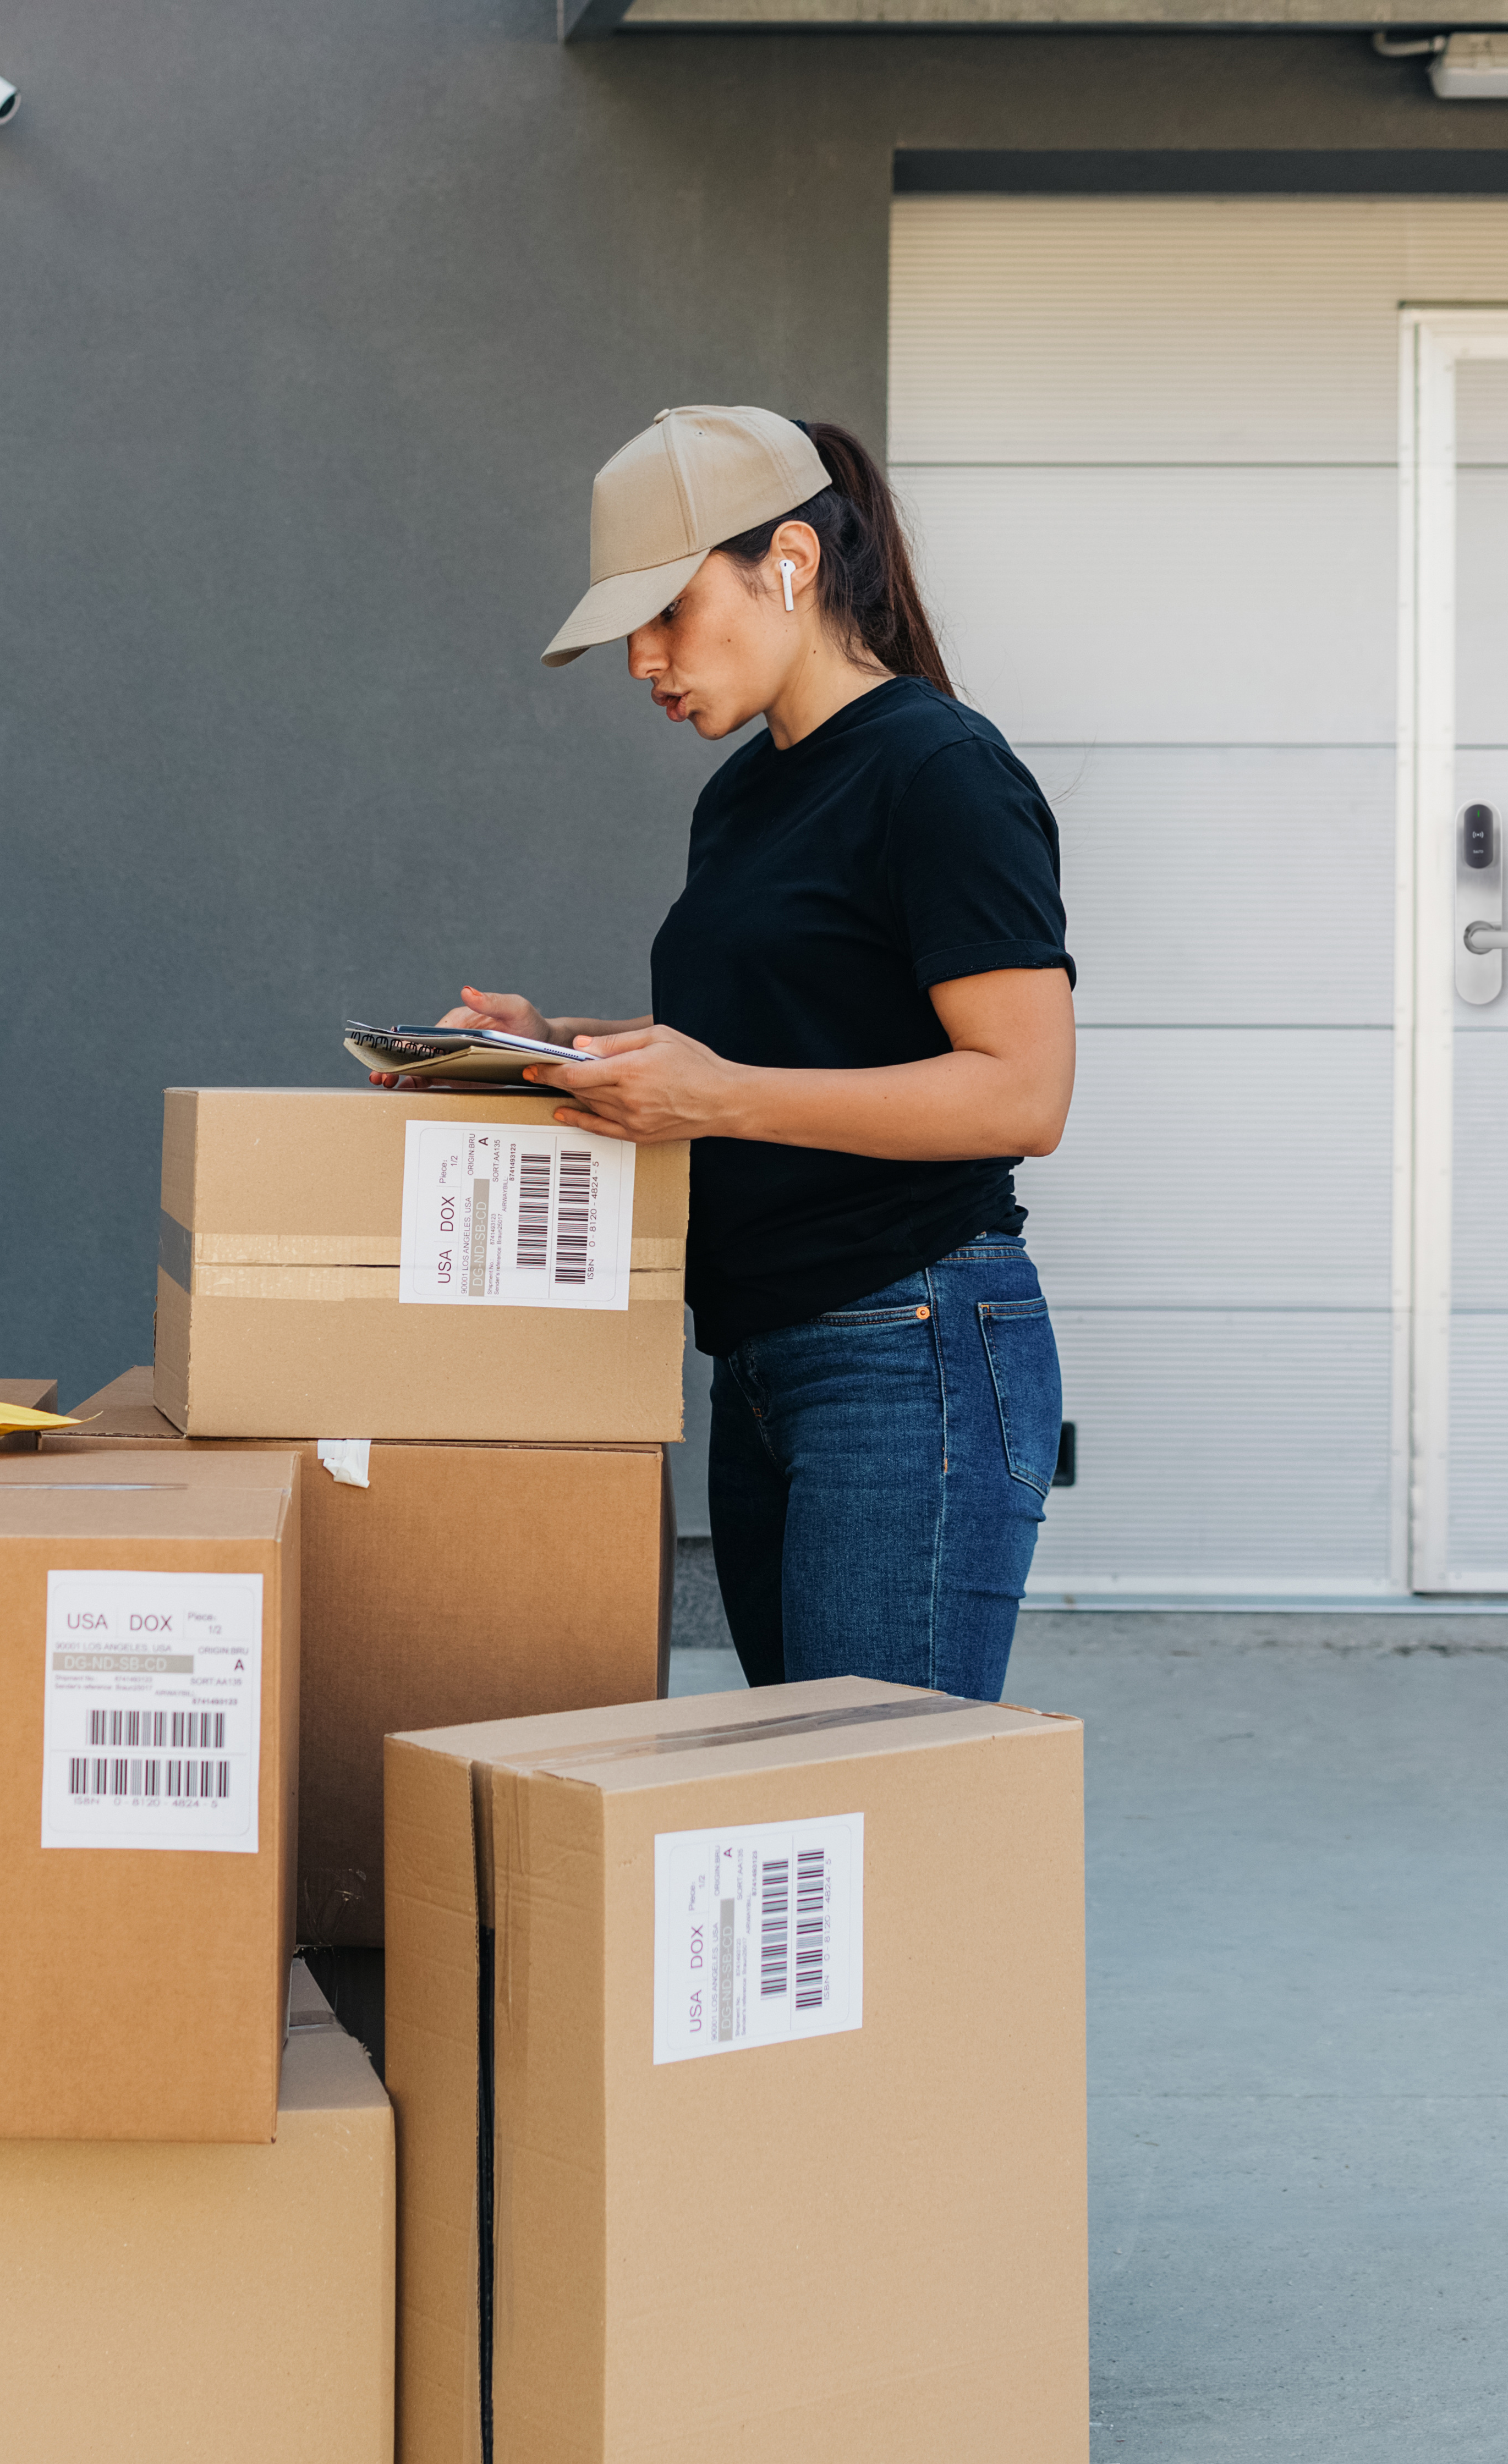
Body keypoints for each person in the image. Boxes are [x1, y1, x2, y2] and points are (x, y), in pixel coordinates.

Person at [413, 405, 1073, 1704]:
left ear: (789, 559)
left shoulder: (939, 769)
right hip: (765, 1356)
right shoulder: (747, 793)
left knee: (878, 1812)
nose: (643, 661)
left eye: (665, 613)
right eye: (627, 633)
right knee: (810, 1820)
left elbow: (1023, 1089)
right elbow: (786, 1038)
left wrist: (713, 1093)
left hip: (909, 1344)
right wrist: (553, 1049)